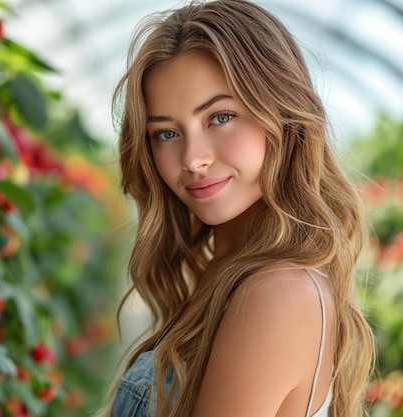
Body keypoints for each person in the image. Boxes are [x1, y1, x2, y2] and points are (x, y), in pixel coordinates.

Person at [99, 1, 375, 416]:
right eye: (167, 132)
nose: (193, 159)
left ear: (281, 114)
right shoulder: (226, 271)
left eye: (220, 117)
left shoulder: (277, 292)